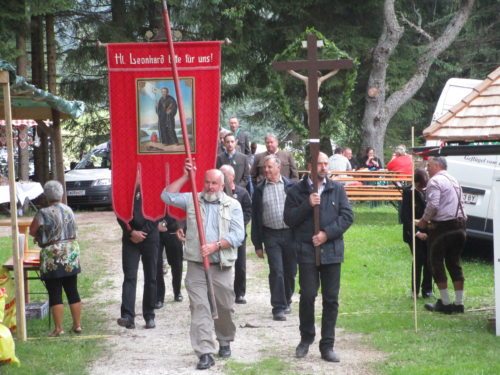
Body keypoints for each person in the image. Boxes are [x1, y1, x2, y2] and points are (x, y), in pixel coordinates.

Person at [161, 161, 245, 370]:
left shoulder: (233, 205)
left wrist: (215, 246)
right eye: (206, 182)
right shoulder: (193, 200)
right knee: (200, 307)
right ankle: (205, 352)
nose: (209, 187)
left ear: (222, 185)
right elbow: (167, 196)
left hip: (221, 265)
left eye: (214, 183)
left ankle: (224, 339)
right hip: (197, 265)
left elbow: (238, 235)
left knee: (224, 306)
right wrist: (184, 176)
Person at [284, 152, 353, 362]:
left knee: (331, 299)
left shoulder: (336, 189)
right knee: (308, 295)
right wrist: (307, 204)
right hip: (306, 251)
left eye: (326, 163)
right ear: (310, 166)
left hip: (331, 251)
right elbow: (289, 219)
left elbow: (347, 216)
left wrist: (326, 234)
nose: (324, 167)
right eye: (320, 164)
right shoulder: (296, 190)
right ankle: (306, 338)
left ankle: (327, 345)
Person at [29, 180, 82, 337]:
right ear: (61, 194)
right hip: (71, 252)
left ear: (46, 195)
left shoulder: (43, 213)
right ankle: (77, 325)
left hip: (53, 254)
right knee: (72, 290)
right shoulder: (69, 210)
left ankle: (59, 328)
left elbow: (32, 231)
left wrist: (40, 235)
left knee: (55, 292)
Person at [417, 156, 467, 314]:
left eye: (429, 166)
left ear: (438, 165)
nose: (427, 169)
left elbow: (433, 204)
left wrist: (424, 221)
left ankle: (445, 303)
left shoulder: (435, 181)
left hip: (444, 228)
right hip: (461, 227)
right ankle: (459, 304)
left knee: (436, 262)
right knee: (454, 262)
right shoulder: (454, 180)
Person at [251, 155, 297, 321]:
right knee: (277, 270)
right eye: (265, 167)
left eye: (270, 167)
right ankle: (278, 307)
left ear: (278, 168)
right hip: (271, 235)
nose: (266, 170)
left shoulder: (291, 186)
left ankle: (287, 300)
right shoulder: (259, 189)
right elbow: (256, 218)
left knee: (290, 271)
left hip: (290, 234)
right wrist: (257, 244)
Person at [116, 182, 158, 330]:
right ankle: (128, 316)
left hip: (150, 237)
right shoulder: (124, 189)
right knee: (129, 276)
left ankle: (149, 315)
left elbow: (158, 212)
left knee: (151, 277)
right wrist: (131, 232)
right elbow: (119, 212)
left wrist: (143, 233)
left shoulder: (153, 187)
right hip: (130, 238)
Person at [220, 164, 252, 304]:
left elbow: (248, 211)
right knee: (221, 263)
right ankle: (222, 292)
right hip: (221, 234)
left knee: (240, 264)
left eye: (224, 174)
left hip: (238, 235)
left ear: (232, 177)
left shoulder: (243, 192)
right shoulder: (217, 193)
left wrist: (238, 225)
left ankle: (239, 293)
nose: (221, 177)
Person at [401, 169, 432, 298]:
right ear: (416, 182)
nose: (423, 188)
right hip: (413, 232)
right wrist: (417, 233)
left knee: (429, 260)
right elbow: (405, 217)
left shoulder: (428, 191)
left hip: (428, 231)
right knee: (419, 258)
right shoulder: (408, 193)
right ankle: (415, 291)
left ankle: (427, 290)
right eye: (421, 185)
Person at [155, 214, 184, 309]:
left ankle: (177, 291)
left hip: (173, 228)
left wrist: (164, 222)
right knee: (156, 265)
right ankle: (159, 297)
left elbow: (174, 206)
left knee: (177, 264)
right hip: (155, 230)